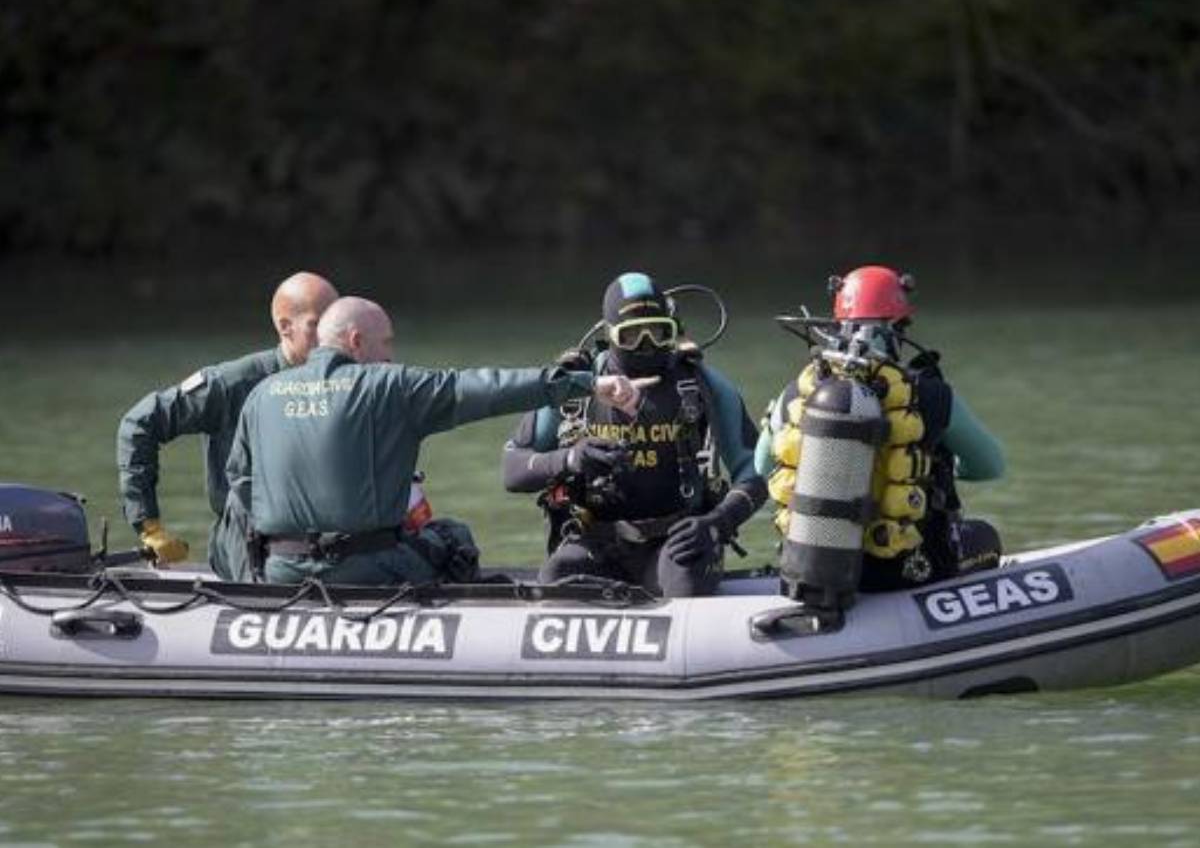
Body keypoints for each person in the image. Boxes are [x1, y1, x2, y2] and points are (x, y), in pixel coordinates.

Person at [225, 296, 649, 586]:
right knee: (452, 538)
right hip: (368, 570)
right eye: (386, 342)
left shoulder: (263, 394)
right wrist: (587, 384)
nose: (391, 355)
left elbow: (240, 484)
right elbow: (491, 388)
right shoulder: (389, 386)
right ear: (356, 342)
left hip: (281, 571)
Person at [503, 272, 767, 598]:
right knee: (557, 576)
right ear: (610, 334)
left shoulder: (705, 386)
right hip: (597, 541)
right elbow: (512, 470)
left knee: (684, 584)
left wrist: (717, 523)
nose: (646, 345)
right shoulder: (573, 386)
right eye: (630, 336)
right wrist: (570, 458)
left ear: (672, 329)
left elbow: (756, 473)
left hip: (679, 542)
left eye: (658, 332)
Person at [757, 265, 1004, 604]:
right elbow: (991, 466)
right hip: (904, 573)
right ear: (898, 329)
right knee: (985, 536)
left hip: (815, 572)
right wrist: (932, 464)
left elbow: (761, 469)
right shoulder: (931, 394)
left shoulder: (797, 394)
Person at [117, 272, 339, 579]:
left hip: (315, 537)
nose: (331, 337)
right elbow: (139, 423)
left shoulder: (345, 385)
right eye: (318, 325)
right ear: (285, 327)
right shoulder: (232, 384)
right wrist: (149, 525)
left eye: (336, 323)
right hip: (244, 536)